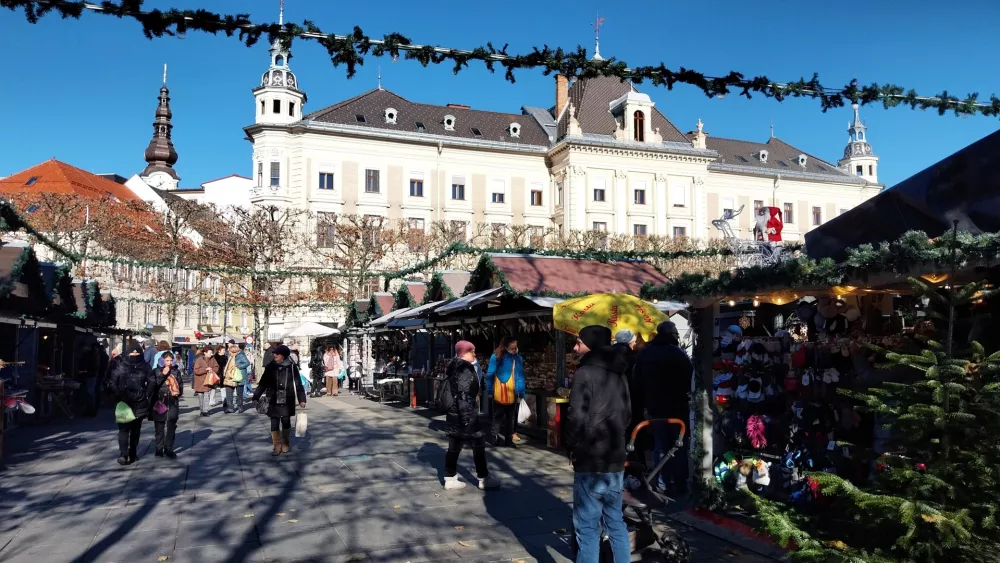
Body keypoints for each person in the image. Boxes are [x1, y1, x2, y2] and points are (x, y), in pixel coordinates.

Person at [565, 325, 632, 563]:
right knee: (615, 521)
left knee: (587, 526)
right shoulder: (619, 372)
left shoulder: (585, 373)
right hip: (615, 455)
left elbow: (575, 416)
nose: (575, 348)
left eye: (579, 343)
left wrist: (571, 446)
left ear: (591, 344)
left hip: (590, 456)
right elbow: (627, 414)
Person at [634, 320, 693, 493]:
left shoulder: (645, 354)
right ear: (671, 335)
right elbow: (690, 378)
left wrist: (644, 404)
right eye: (676, 333)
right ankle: (680, 483)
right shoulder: (678, 354)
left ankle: (662, 483)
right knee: (679, 445)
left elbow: (637, 381)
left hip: (655, 407)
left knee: (660, 446)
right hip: (677, 407)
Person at [443, 340, 501, 490]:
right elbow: (464, 395)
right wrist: (466, 418)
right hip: (466, 414)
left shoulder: (454, 366)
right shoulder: (464, 369)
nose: (475, 354)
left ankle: (450, 478)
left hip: (454, 413)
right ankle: (484, 478)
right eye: (472, 351)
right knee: (478, 445)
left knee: (454, 446)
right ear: (464, 353)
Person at [107, 340, 157, 466]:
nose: (134, 356)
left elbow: (152, 382)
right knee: (124, 429)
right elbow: (112, 381)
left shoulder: (145, 366)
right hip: (124, 401)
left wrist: (146, 394)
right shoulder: (122, 366)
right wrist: (118, 394)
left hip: (139, 402)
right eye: (132, 354)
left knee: (135, 429)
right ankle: (123, 454)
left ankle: (133, 452)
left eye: (137, 354)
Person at [253, 344, 306, 456]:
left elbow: (298, 384)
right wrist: (255, 397)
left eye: (277, 353)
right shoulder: (270, 367)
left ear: (284, 355)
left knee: (286, 421)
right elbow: (263, 383)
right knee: (274, 421)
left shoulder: (292, 367)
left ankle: (285, 442)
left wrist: (302, 399)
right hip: (273, 398)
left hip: (288, 398)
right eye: (274, 353)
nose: (275, 355)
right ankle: (276, 445)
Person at [485, 336, 525, 447]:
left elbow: (520, 376)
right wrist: (490, 390)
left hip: (511, 392)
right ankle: (495, 437)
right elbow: (490, 375)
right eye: (512, 348)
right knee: (499, 417)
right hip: (500, 392)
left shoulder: (517, 358)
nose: (515, 350)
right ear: (506, 347)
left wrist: (521, 392)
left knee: (510, 418)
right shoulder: (497, 357)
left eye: (516, 347)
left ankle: (508, 440)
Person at [150, 351, 183, 458]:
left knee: (171, 427)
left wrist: (176, 393)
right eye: (167, 360)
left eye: (171, 360)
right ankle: (159, 448)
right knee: (159, 427)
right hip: (160, 401)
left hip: (172, 402)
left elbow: (180, 386)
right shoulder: (156, 371)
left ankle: (168, 448)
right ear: (162, 360)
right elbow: (153, 385)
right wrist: (163, 374)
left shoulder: (176, 371)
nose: (169, 363)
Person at [193, 347, 220, 417]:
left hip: (208, 380)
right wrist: (205, 369)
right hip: (200, 381)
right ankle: (202, 410)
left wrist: (212, 370)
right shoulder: (199, 360)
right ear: (205, 353)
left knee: (206, 396)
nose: (211, 354)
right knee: (200, 396)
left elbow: (216, 367)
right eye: (210, 352)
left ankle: (205, 411)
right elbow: (196, 370)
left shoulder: (213, 359)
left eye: (212, 352)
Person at [222, 342, 245, 413]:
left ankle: (240, 407)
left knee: (239, 394)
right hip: (229, 377)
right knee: (229, 393)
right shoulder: (230, 357)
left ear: (233, 350)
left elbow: (247, 363)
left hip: (238, 377)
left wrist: (238, 366)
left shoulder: (240, 355)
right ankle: (230, 408)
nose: (229, 351)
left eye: (230, 350)